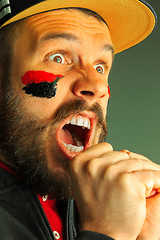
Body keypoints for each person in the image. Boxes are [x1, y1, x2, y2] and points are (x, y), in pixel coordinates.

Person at [0, 0, 159, 239]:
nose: (96, 86)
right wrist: (106, 234)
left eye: (100, 66)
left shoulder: (105, 208)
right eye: (58, 58)